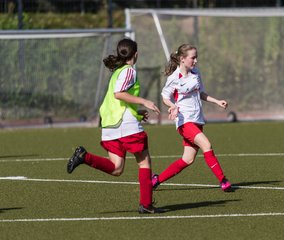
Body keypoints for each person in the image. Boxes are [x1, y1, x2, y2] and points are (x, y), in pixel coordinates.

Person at [67, 38, 163, 214]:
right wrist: (145, 102)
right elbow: (119, 94)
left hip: (111, 124)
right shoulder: (129, 71)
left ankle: (84, 156)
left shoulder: (117, 72)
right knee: (144, 162)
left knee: (117, 168)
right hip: (124, 125)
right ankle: (146, 204)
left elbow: (118, 100)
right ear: (136, 54)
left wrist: (137, 112)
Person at [152, 43, 232, 192]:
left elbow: (201, 93)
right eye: (193, 58)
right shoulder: (174, 77)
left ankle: (156, 180)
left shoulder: (196, 72)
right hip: (184, 121)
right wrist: (173, 106)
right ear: (182, 59)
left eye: (196, 58)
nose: (195, 61)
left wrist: (216, 101)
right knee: (207, 145)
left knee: (187, 159)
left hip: (197, 120)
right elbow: (165, 97)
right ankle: (223, 180)